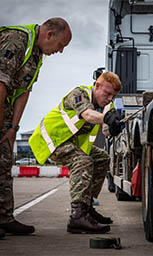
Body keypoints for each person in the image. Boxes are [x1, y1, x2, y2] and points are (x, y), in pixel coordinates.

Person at [0, 17, 72, 238]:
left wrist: (13, 127)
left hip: (6, 116)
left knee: (3, 164)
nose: (60, 51)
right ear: (49, 34)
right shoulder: (17, 41)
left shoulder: (36, 54)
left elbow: (24, 91)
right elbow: (0, 83)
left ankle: (4, 218)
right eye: (61, 45)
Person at [29, 72, 122, 234]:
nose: (109, 99)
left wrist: (113, 127)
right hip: (53, 140)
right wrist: (107, 119)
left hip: (70, 142)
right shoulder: (80, 94)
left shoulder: (107, 106)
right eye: (107, 94)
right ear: (97, 86)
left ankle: (87, 208)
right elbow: (87, 114)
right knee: (82, 161)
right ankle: (77, 216)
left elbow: (106, 130)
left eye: (113, 96)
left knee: (102, 158)